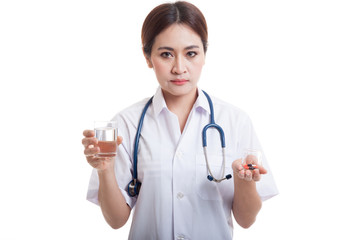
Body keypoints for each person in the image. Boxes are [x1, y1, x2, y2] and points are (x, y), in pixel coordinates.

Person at [82, 1, 278, 239]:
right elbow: (116, 221)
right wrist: (105, 170)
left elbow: (246, 220)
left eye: (191, 53)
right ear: (148, 58)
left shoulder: (235, 121)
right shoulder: (126, 124)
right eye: (166, 54)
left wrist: (244, 180)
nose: (179, 67)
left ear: (204, 55)